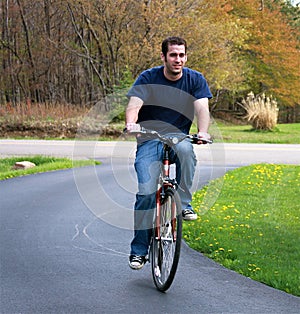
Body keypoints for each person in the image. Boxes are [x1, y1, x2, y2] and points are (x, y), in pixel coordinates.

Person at [125, 36, 212, 270]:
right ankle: (139, 251)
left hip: (179, 137)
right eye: (173, 55)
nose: (178, 60)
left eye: (182, 55)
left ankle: (183, 204)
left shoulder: (195, 79)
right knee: (145, 192)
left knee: (186, 150)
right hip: (149, 139)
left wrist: (202, 132)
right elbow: (134, 104)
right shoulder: (148, 77)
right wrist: (131, 123)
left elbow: (202, 108)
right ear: (163, 56)